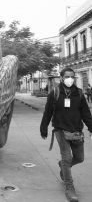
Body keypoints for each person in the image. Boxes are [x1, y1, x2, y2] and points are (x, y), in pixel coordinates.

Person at [40, 67, 92, 202]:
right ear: (62, 78)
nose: (70, 79)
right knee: (67, 158)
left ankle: (62, 165)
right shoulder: (55, 92)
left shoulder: (79, 94)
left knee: (79, 158)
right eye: (67, 76)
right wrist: (43, 127)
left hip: (76, 131)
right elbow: (48, 112)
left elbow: (86, 113)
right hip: (60, 130)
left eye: (72, 76)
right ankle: (69, 187)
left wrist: (91, 127)